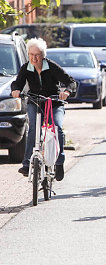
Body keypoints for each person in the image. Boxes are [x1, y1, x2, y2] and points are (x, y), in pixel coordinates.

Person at [11, 38, 77, 181]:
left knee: (57, 128)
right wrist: (15, 90)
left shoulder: (52, 67)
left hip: (54, 103)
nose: (34, 58)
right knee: (33, 130)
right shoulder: (26, 68)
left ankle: (59, 161)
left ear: (43, 55)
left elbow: (70, 81)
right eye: (31, 54)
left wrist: (66, 92)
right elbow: (17, 83)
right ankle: (27, 163)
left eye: (37, 55)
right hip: (35, 103)